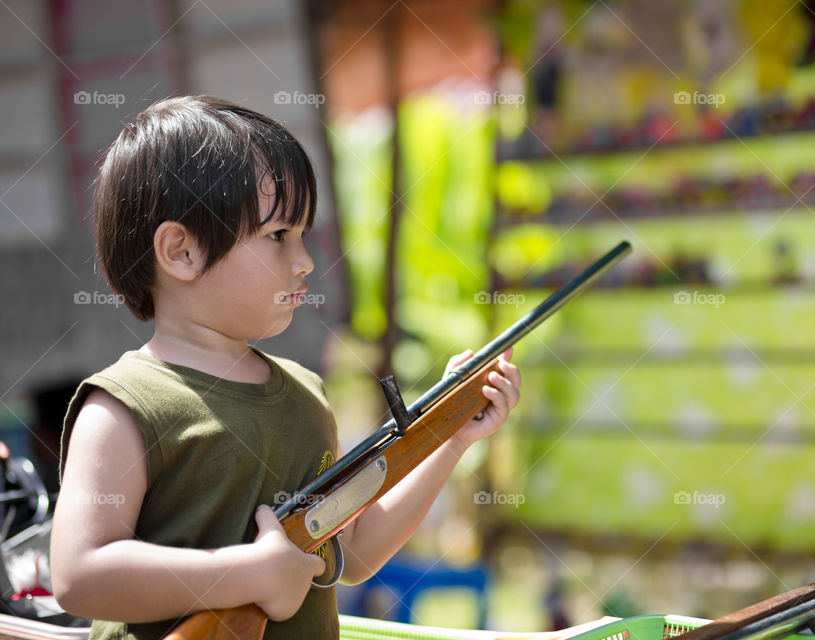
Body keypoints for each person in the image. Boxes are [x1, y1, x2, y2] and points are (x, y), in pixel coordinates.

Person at [50, 95, 521, 640]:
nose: (304, 262)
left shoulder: (305, 392)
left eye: (302, 236)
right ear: (181, 251)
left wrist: (451, 437)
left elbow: (356, 551)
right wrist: (248, 575)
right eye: (277, 236)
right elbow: (81, 575)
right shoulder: (122, 405)